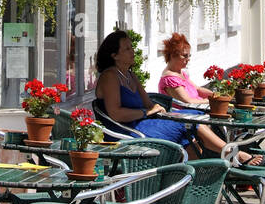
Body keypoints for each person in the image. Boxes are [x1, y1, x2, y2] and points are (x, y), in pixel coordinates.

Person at [94, 30, 230, 160]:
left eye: (131, 47)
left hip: (142, 124)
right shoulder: (110, 77)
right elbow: (116, 114)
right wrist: (146, 112)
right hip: (128, 133)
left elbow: (149, 104)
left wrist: (157, 109)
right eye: (127, 49)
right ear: (114, 55)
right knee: (187, 124)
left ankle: (198, 173)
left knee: (193, 118)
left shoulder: (130, 75)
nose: (133, 51)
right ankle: (234, 154)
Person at [157, 32, 261, 163]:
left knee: (235, 122)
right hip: (187, 117)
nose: (188, 59)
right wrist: (212, 101)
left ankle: (237, 156)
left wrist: (216, 95)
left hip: (199, 111)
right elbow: (187, 101)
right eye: (184, 56)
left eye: (189, 55)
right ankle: (235, 157)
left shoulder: (181, 73)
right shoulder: (169, 78)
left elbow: (198, 90)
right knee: (223, 125)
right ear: (172, 55)